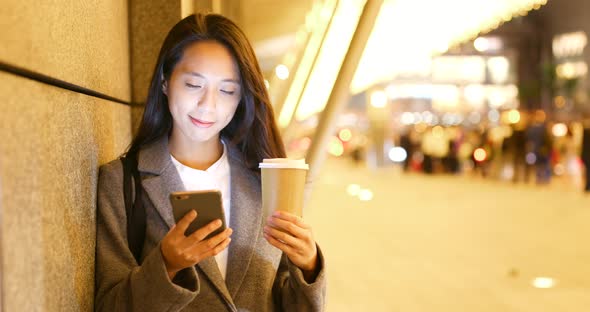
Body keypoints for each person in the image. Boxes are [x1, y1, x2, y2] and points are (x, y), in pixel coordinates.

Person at [95, 13, 326, 311]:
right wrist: (166, 266)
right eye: (193, 85)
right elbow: (108, 306)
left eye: (227, 90)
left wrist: (308, 266)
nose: (208, 105)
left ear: (241, 97)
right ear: (165, 82)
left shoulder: (264, 178)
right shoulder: (122, 182)